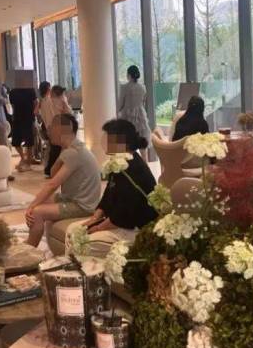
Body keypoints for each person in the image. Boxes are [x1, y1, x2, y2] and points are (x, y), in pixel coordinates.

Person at [74, 119, 158, 257]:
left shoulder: (134, 168)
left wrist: (99, 227)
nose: (104, 141)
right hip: (117, 222)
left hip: (134, 229)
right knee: (74, 230)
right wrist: (94, 218)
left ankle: (81, 268)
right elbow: (108, 194)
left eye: (108, 138)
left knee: (83, 243)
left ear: (122, 142)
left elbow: (124, 212)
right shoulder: (119, 163)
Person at [25, 114, 101, 247]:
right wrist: (62, 149)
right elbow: (53, 172)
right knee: (41, 201)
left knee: (36, 212)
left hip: (82, 206)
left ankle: (30, 249)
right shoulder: (72, 149)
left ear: (61, 129)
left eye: (51, 127)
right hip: (73, 199)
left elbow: (53, 184)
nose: (48, 131)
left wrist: (30, 207)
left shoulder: (74, 152)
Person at [118, 65, 150, 160]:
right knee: (142, 146)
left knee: (127, 146)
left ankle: (129, 166)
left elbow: (120, 104)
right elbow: (143, 102)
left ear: (129, 75)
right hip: (141, 116)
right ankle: (145, 165)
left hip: (128, 116)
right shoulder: (143, 87)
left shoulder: (124, 87)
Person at [40, 85, 72, 177]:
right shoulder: (60, 100)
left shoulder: (44, 101)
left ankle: (49, 169)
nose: (62, 95)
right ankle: (51, 170)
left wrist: (47, 127)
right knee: (58, 150)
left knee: (53, 149)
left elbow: (43, 116)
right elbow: (68, 112)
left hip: (49, 127)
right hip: (60, 127)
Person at [8, 82, 38, 171]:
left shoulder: (30, 90)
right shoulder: (13, 92)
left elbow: (36, 102)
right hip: (17, 118)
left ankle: (28, 162)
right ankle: (23, 158)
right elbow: (12, 105)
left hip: (29, 118)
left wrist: (35, 112)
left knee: (29, 141)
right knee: (15, 142)